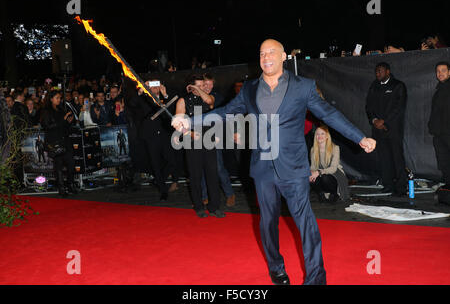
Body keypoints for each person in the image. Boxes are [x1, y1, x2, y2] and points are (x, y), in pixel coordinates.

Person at [172, 39, 376, 285]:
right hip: (263, 168)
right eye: (261, 53)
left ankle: (316, 278)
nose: (266, 57)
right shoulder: (248, 89)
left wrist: (359, 137)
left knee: (305, 223)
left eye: (271, 52)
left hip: (293, 168)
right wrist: (189, 121)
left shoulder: (303, 87)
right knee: (268, 224)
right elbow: (224, 113)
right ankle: (276, 267)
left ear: (283, 57)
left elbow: (328, 114)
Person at [174, 74, 224, 218]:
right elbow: (177, 124)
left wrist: (199, 89)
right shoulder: (182, 101)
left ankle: (214, 206)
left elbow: (209, 101)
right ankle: (199, 206)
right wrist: (189, 133)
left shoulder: (209, 98)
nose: (204, 88)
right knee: (195, 175)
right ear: (191, 87)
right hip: (192, 142)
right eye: (200, 86)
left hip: (209, 141)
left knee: (212, 174)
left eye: (203, 85)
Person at [365, 62, 408, 196]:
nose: (378, 73)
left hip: (393, 129)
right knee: (384, 159)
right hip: (378, 130)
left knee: (397, 158)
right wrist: (374, 120)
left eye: (380, 71)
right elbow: (368, 106)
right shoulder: (374, 86)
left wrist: (385, 121)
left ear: (388, 72)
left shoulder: (398, 85)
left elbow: (399, 107)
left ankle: (401, 187)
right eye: (376, 71)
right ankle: (388, 185)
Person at [135, 79, 179, 201]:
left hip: (165, 134)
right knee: (155, 163)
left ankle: (159, 180)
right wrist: (141, 90)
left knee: (172, 161)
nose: (154, 88)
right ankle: (163, 190)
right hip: (151, 136)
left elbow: (172, 112)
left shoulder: (165, 98)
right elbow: (134, 104)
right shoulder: (145, 99)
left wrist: (165, 95)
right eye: (152, 86)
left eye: (156, 85)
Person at [201, 73, 236, 207]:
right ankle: (204, 196)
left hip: (215, 137)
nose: (208, 87)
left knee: (219, 167)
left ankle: (230, 194)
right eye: (206, 84)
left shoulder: (216, 96)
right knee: (202, 168)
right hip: (199, 137)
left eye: (211, 84)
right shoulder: (196, 98)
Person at [40, 90, 77, 196]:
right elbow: (46, 126)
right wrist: (63, 121)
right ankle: (61, 188)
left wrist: (69, 122)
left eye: (59, 98)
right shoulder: (46, 111)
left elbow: (64, 124)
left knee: (71, 163)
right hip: (54, 141)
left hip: (65, 140)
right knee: (58, 165)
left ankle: (70, 185)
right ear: (51, 99)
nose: (59, 100)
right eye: (57, 98)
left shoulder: (61, 109)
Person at [309, 125, 350, 202]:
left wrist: (319, 172)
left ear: (327, 136)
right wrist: (311, 173)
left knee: (325, 178)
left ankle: (334, 193)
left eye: (322, 134)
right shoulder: (313, 149)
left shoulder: (335, 148)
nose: (319, 136)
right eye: (317, 134)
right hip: (320, 173)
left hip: (335, 173)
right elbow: (313, 167)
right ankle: (321, 194)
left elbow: (333, 168)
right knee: (310, 177)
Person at [428, 61, 450, 188]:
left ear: (449, 72)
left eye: (443, 70)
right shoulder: (439, 89)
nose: (440, 73)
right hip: (439, 134)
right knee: (444, 162)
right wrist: (432, 127)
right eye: (438, 71)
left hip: (448, 132)